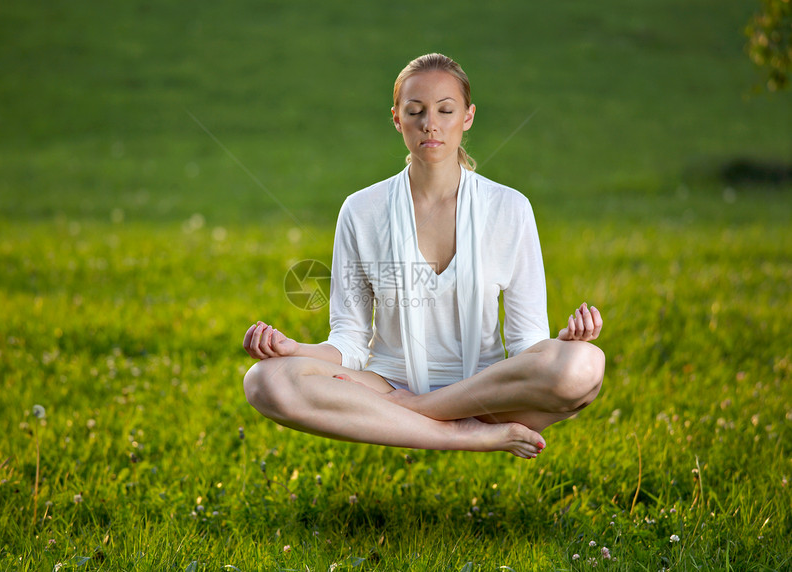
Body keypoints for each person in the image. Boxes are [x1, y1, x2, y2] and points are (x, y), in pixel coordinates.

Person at [242, 53, 604, 458]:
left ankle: (419, 412)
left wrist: (560, 345)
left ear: (467, 117)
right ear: (397, 118)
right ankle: (461, 435)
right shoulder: (361, 211)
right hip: (387, 387)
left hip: (486, 395)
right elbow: (350, 341)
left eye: (445, 110)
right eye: (415, 111)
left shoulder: (511, 208)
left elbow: (525, 343)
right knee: (264, 380)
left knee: (585, 366)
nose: (430, 123)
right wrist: (298, 351)